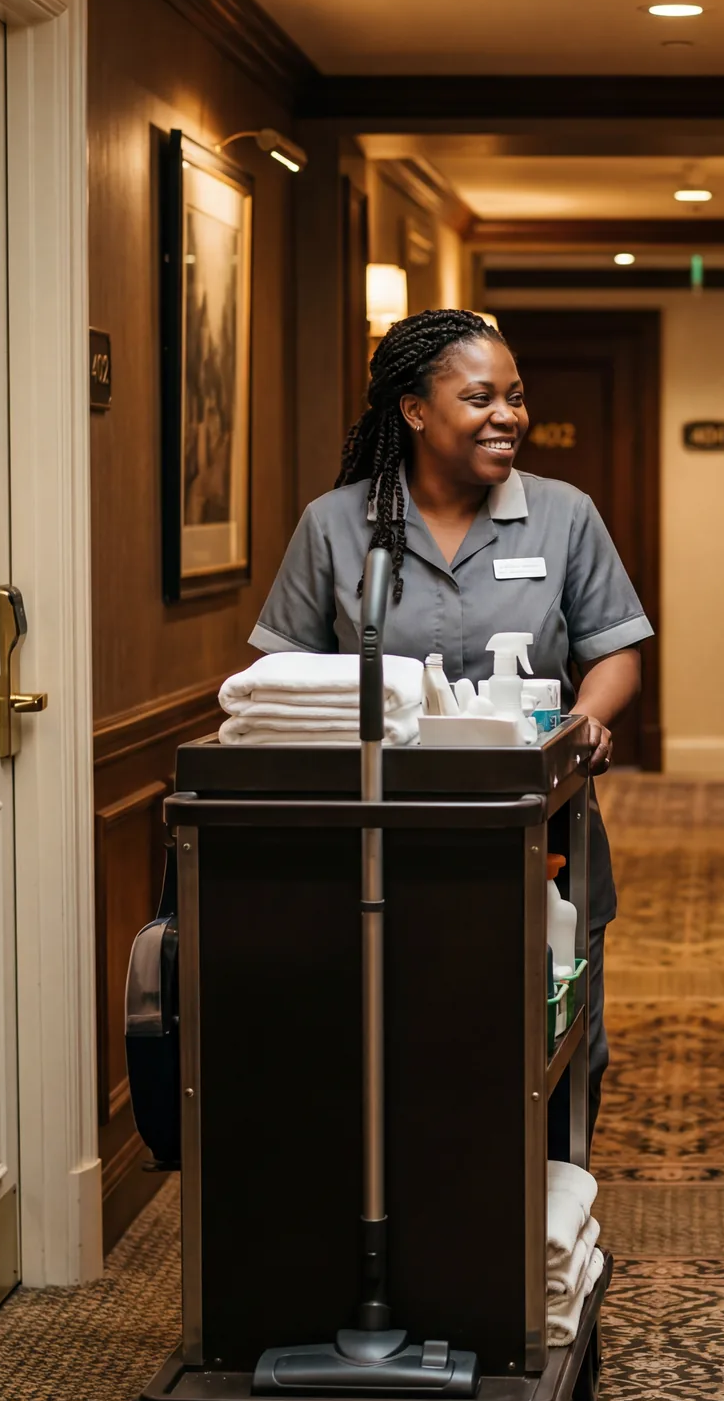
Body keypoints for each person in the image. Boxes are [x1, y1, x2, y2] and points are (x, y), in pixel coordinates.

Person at [252, 308, 653, 1153]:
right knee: (399, 1050)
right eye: (480, 398)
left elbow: (616, 652)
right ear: (414, 410)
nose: (508, 416)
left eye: (515, 397)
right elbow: (281, 677)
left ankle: (545, 1220)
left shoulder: (562, 515)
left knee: (556, 1046)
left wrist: (588, 717)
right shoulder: (336, 525)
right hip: (375, 843)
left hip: (539, 834)